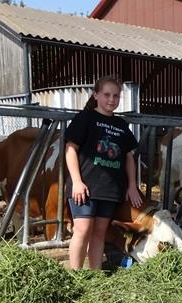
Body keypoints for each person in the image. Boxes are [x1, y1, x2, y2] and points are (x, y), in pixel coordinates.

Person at [65, 75, 142, 269]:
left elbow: (128, 157)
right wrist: (76, 181)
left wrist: (132, 185)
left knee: (100, 232)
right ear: (96, 95)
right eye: (107, 95)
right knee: (82, 229)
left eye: (116, 96)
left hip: (109, 188)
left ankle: (95, 274)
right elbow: (70, 149)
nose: (111, 100)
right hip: (85, 186)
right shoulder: (85, 118)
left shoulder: (121, 125)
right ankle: (75, 274)